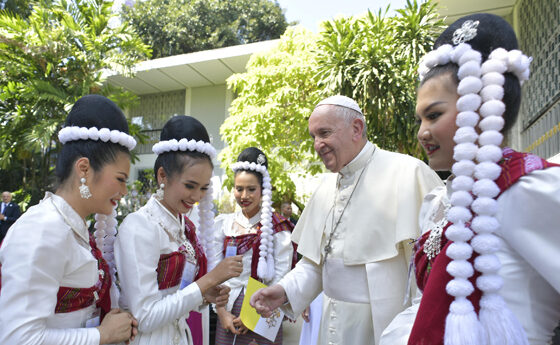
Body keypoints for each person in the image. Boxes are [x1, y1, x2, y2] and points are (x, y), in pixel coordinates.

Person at [380, 13, 560, 345]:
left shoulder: (526, 188)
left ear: (481, 107)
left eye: (434, 115)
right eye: (420, 118)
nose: (422, 132)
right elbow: (424, 307)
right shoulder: (439, 201)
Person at [250, 95, 443, 345]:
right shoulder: (324, 187)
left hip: (384, 327)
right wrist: (283, 291)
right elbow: (315, 266)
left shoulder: (408, 173)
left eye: (325, 133)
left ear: (356, 129)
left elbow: (425, 277)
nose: (318, 144)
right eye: (314, 137)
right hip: (331, 323)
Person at [0, 94, 138, 344]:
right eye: (120, 179)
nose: (124, 191)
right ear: (83, 169)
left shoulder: (73, 227)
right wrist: (101, 335)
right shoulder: (42, 229)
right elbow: (18, 338)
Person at [114, 115, 244, 345]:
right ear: (162, 175)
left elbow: (175, 296)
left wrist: (203, 296)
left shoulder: (182, 225)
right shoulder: (139, 226)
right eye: (189, 186)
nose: (196, 197)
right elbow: (145, 317)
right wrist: (208, 280)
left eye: (203, 188)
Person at [212, 147, 295, 345]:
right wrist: (222, 312)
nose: (244, 195)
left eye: (251, 189)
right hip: (227, 309)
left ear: (263, 190)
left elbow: (282, 276)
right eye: (239, 189)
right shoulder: (224, 224)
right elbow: (213, 272)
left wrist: (252, 317)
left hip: (264, 311)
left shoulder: (278, 228)